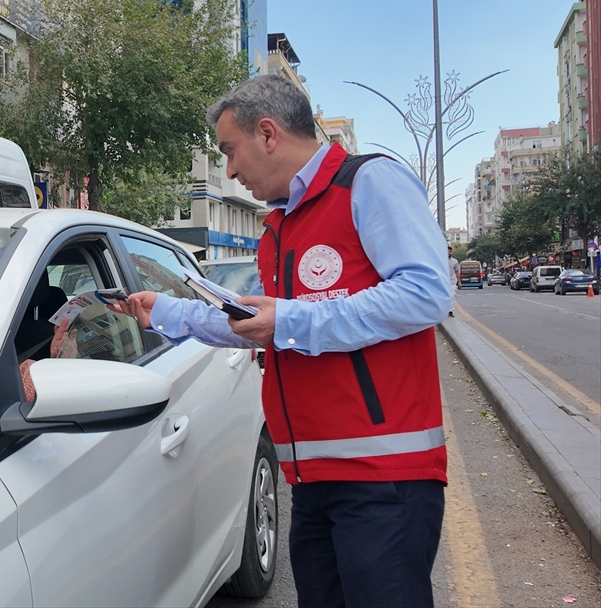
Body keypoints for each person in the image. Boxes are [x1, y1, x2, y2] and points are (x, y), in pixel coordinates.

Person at [111, 75, 451, 608]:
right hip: (312, 480)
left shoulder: (368, 182)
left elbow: (426, 293)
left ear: (268, 134)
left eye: (230, 151)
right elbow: (260, 322)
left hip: (384, 477)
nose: (229, 170)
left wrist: (295, 320)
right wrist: (167, 311)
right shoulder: (279, 225)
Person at [448, 246, 460, 317]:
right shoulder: (441, 261)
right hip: (444, 282)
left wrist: (459, 282)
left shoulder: (455, 261)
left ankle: (451, 311)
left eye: (450, 251)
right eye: (447, 251)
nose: (449, 253)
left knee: (452, 296)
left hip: (452, 281)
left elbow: (457, 272)